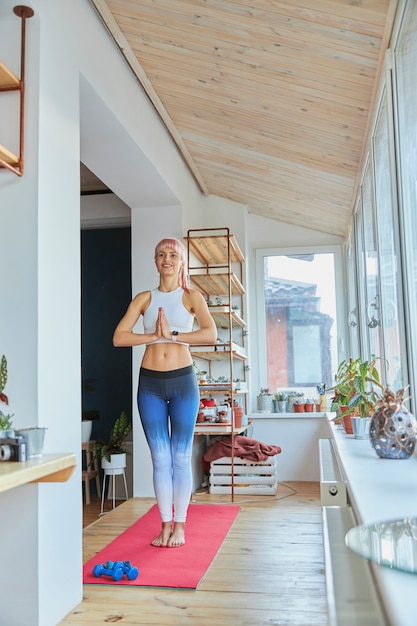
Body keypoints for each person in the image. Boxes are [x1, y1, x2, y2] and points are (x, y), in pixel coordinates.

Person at [113, 237, 217, 547]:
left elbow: (210, 334)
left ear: (181, 261)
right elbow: (119, 337)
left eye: (173, 254)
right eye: (161, 254)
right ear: (155, 261)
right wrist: (152, 337)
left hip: (183, 383)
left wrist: (172, 334)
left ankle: (181, 526)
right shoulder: (144, 299)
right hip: (150, 386)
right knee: (160, 458)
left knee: (180, 457)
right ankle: (165, 524)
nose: (167, 259)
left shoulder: (192, 297)